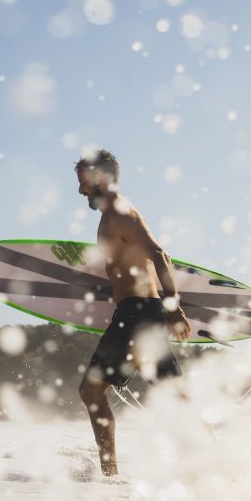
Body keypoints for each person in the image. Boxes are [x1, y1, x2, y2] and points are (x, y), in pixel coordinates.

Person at [74, 150, 191, 476]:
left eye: (83, 181)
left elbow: (158, 253)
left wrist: (173, 306)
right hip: (136, 312)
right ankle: (213, 468)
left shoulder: (121, 214)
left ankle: (110, 474)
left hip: (138, 313)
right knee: (174, 397)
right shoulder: (110, 216)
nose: (81, 189)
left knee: (91, 390)